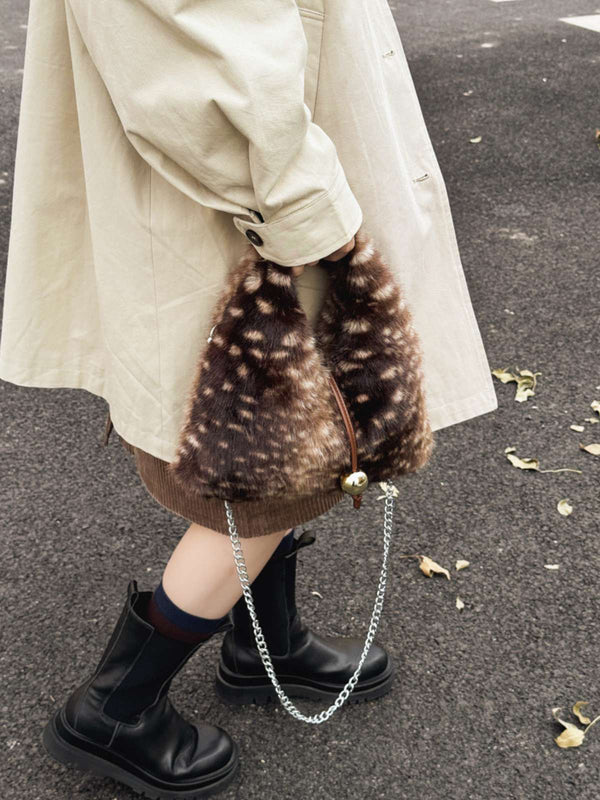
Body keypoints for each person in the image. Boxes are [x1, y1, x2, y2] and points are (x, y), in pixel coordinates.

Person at [0, 0, 498, 797]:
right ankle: (117, 709)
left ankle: (265, 643)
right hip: (251, 202)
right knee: (272, 473)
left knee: (279, 444)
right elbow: (199, 55)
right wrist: (308, 213)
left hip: (255, 188)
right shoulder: (278, 196)